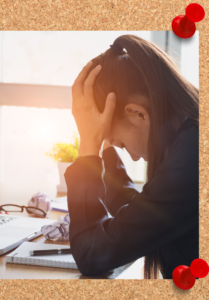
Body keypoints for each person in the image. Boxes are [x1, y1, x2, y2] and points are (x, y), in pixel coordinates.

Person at [64, 35, 199, 279]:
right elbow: (146, 216)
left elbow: (91, 254)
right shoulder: (191, 136)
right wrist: (103, 143)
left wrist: (88, 147)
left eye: (121, 144)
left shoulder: (191, 161)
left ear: (137, 113)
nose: (134, 158)